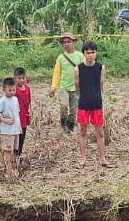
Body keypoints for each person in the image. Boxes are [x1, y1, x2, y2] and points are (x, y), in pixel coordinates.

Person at [74, 40, 112, 168]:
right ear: (84, 53)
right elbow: (77, 86)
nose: (90, 55)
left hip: (97, 103)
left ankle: (102, 158)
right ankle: (83, 158)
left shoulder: (101, 67)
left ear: (96, 53)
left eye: (93, 52)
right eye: (88, 52)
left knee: (100, 132)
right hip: (83, 104)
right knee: (83, 132)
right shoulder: (78, 69)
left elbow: (101, 85)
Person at [48, 33, 83, 133]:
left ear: (73, 42)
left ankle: (70, 126)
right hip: (64, 86)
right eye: (64, 42)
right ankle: (63, 124)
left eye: (69, 42)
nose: (66, 44)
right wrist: (53, 87)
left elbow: (84, 71)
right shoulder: (61, 58)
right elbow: (57, 73)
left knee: (74, 110)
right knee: (63, 106)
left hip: (76, 87)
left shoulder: (80, 56)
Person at [0, 77, 23, 179]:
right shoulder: (2, 101)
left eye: (14, 90)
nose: (12, 92)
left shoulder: (15, 99)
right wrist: (4, 120)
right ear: (3, 90)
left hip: (15, 130)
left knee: (14, 150)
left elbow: (16, 112)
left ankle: (12, 168)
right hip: (7, 131)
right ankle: (8, 170)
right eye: (9, 90)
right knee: (7, 151)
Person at [13, 67, 32, 157]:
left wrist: (29, 112)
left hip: (24, 117)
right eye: (19, 78)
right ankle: (14, 154)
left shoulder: (27, 88)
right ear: (14, 79)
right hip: (16, 118)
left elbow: (29, 101)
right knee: (15, 137)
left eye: (23, 78)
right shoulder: (13, 90)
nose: (21, 80)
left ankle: (18, 155)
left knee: (22, 137)